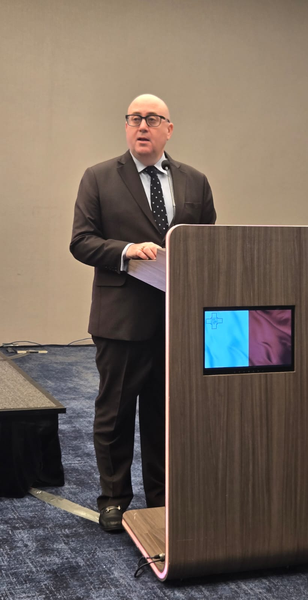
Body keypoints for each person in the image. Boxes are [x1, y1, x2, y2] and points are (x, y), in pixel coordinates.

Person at [70, 94, 216, 532]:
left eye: (152, 119)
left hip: (176, 320)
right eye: (135, 118)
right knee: (115, 414)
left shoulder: (195, 181)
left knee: (164, 417)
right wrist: (127, 250)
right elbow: (81, 241)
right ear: (126, 126)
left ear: (169, 129)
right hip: (121, 318)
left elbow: (208, 243)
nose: (142, 126)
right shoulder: (98, 177)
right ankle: (114, 500)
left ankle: (162, 500)